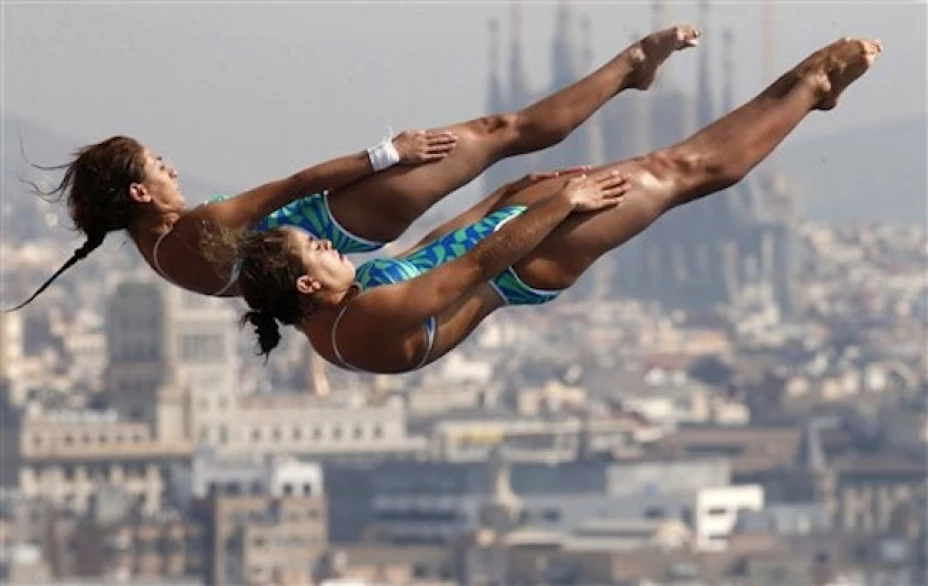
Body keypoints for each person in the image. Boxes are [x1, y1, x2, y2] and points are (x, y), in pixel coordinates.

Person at [225, 36, 882, 374]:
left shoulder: (339, 305)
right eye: (316, 248)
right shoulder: (357, 326)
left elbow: (430, 253)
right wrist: (563, 202)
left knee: (670, 168)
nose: (331, 244)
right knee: (680, 172)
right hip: (524, 262)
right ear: (308, 283)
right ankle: (811, 84)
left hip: (513, 233)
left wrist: (501, 197)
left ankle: (783, 89)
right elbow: (472, 270)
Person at [6, 26, 701, 310]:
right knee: (503, 131)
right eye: (159, 165)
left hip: (339, 233)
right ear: (138, 190)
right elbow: (295, 184)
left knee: (503, 138)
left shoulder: (163, 252)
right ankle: (630, 71)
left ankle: (627, 76)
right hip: (338, 215)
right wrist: (386, 154)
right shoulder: (194, 231)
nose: (173, 168)